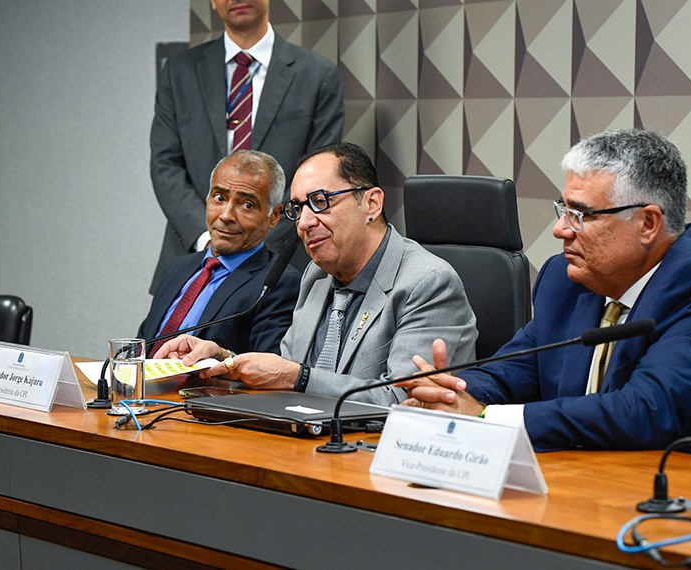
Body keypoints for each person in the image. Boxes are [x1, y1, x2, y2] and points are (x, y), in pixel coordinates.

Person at [399, 128, 691, 465]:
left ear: (648, 223)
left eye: (580, 215)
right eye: (563, 209)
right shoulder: (565, 280)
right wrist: (450, 394)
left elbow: (643, 411)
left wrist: (485, 417)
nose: (560, 229)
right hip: (591, 483)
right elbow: (515, 370)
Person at [155, 142, 478, 405]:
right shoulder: (316, 276)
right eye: (298, 208)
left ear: (372, 204)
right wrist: (224, 362)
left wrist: (298, 378)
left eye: (320, 201)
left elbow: (406, 400)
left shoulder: (428, 282)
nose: (305, 223)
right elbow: (282, 371)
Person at [149, 0, 344, 291]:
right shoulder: (179, 71)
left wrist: (256, 246)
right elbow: (165, 166)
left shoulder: (317, 75)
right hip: (193, 258)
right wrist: (210, 237)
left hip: (280, 267)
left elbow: (318, 176)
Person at [140, 150, 300, 356]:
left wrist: (222, 358)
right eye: (219, 198)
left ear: (274, 216)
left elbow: (269, 368)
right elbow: (143, 343)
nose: (226, 215)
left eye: (247, 205)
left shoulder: (278, 284)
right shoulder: (178, 267)